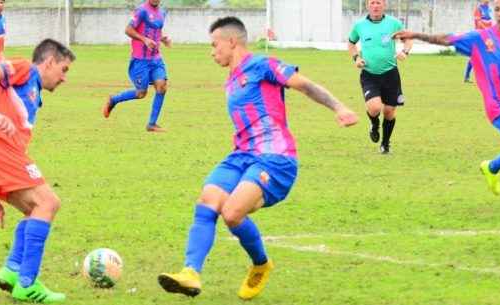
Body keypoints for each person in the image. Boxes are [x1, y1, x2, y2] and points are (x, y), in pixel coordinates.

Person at [157, 16, 358, 300]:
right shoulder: (232, 80)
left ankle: (261, 265)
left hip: (275, 158)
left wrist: (339, 107)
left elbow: (304, 84)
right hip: (241, 156)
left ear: (231, 41)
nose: (211, 51)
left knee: (231, 212)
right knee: (207, 202)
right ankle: (190, 272)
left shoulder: (263, 65)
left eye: (214, 45)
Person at [394, 0, 500, 211]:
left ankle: (491, 168)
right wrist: (417, 35)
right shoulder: (480, 39)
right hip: (497, 106)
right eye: (497, 10)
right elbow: (448, 39)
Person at [0, 39, 75, 303]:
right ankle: (27, 283)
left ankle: (11, 271)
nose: (64, 78)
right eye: (64, 70)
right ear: (50, 61)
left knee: (34, 209)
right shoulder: (26, 69)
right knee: (49, 202)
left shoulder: (33, 96)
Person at [347, 0, 412, 154]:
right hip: (369, 75)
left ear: (384, 5)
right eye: (372, 2)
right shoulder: (359, 26)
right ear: (368, 5)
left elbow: (408, 39)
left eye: (379, 2)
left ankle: (385, 144)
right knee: (375, 108)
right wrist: (356, 58)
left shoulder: (394, 24)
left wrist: (405, 51)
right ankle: (374, 125)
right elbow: (351, 43)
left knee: (389, 112)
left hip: (390, 74)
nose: (375, 5)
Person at [103, 0, 172, 132]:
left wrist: (163, 39)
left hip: (156, 58)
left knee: (162, 87)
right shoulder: (141, 10)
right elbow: (128, 30)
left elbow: (156, 30)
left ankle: (152, 124)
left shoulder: (162, 11)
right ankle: (114, 99)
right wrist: (144, 39)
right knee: (141, 93)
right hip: (140, 60)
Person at [465, 0, 493, 83]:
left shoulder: (489, 9)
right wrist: (486, 29)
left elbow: (490, 22)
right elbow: (478, 22)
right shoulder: (479, 9)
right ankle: (468, 76)